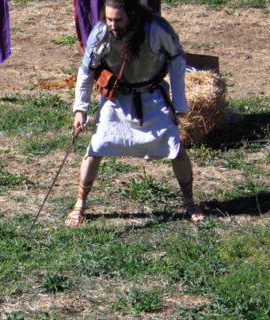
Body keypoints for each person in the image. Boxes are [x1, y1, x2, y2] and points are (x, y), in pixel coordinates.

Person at [66, 0, 203, 226]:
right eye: (109, 19)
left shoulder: (156, 28)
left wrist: (180, 102)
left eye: (118, 20)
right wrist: (80, 109)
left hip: (153, 100)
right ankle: (80, 204)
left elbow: (177, 57)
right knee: (96, 149)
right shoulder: (101, 32)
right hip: (117, 101)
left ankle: (189, 202)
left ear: (131, 14)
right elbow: (87, 68)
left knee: (176, 149)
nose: (112, 24)